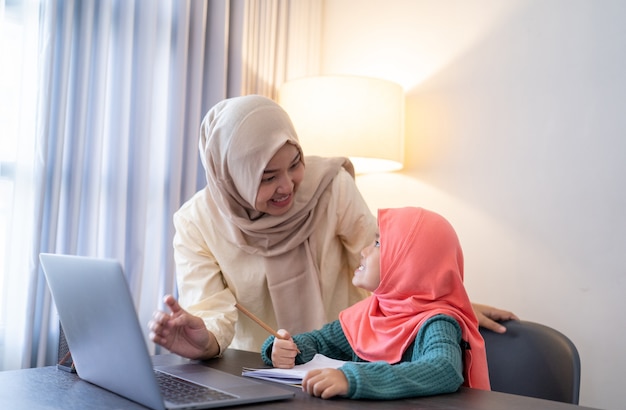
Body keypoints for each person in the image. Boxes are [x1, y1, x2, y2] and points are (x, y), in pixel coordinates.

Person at [149, 95, 517, 360]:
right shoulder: (196, 222)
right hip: (259, 369)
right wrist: (204, 344)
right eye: (267, 177)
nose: (288, 186)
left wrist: (448, 303)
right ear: (232, 177)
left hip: (350, 357)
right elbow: (214, 314)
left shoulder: (330, 186)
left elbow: (393, 266)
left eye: (294, 163)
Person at [263, 207, 490, 400]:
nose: (363, 251)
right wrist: (287, 348)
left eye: (378, 243)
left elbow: (444, 370)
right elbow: (318, 343)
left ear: (408, 264)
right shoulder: (368, 314)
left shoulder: (436, 322)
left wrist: (353, 379)